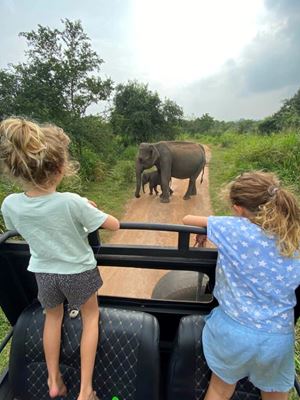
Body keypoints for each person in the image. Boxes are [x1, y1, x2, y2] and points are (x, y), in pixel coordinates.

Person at [0, 117, 120, 400]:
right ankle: (85, 389)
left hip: (44, 273)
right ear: (61, 168)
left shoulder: (10, 204)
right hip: (78, 272)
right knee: (91, 318)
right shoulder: (72, 202)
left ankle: (54, 379)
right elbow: (114, 224)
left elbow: (21, 229)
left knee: (52, 318)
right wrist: (90, 207)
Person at [183, 171, 300, 400]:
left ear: (238, 209)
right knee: (276, 396)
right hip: (277, 340)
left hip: (232, 334)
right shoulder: (293, 238)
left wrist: (208, 230)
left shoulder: (233, 229)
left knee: (219, 390)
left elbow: (187, 220)